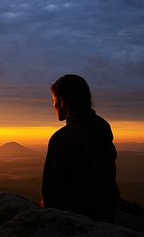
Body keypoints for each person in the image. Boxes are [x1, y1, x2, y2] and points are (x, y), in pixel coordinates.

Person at [41, 74, 119, 223]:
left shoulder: (61, 138)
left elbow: (51, 192)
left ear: (62, 102)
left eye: (54, 100)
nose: (53, 105)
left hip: (75, 216)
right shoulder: (102, 125)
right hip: (106, 210)